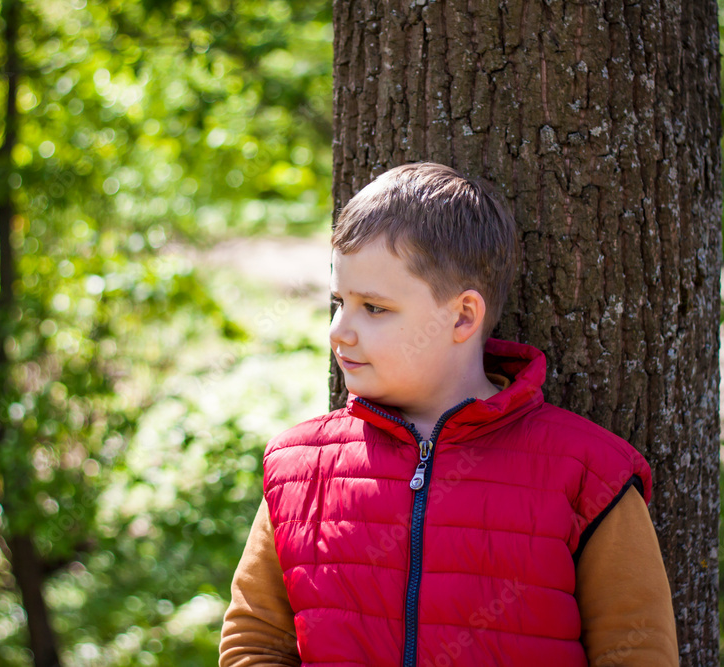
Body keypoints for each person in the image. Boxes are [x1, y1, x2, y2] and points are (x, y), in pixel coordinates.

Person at [218, 162, 680, 666]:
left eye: (373, 308)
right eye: (338, 302)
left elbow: (637, 652)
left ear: (462, 316)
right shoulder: (299, 469)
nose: (338, 331)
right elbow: (254, 642)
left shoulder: (589, 473)